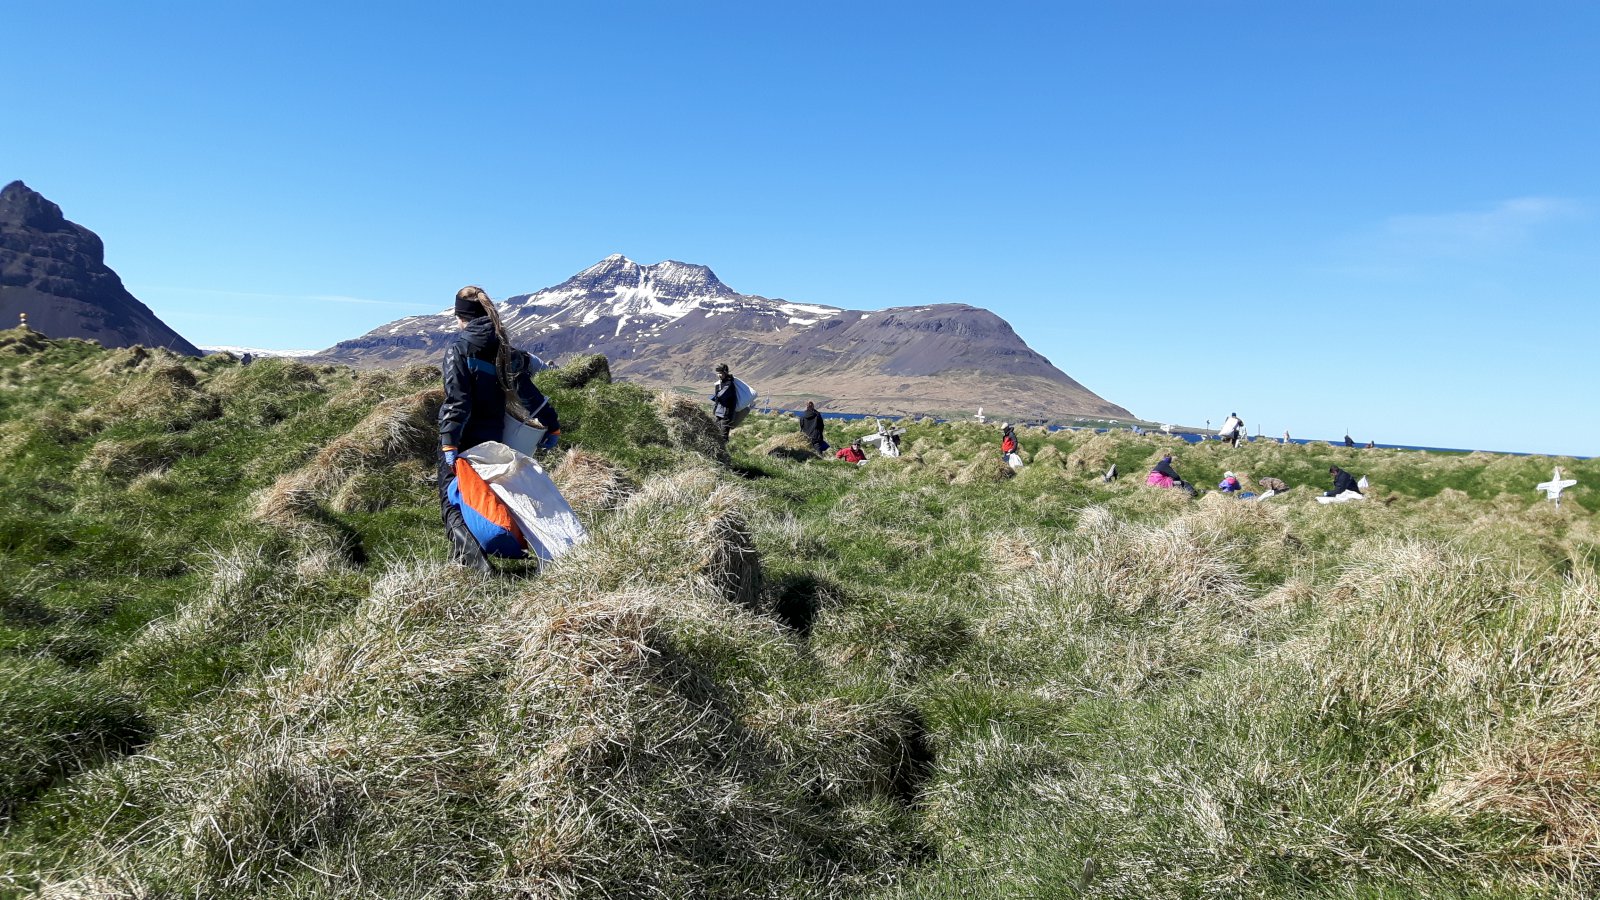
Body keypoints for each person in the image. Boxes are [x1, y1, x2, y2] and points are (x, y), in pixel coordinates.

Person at [439, 285, 560, 573]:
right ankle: (511, 546)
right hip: (494, 437)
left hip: (463, 436)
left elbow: (458, 400)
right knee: (485, 494)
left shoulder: (459, 348)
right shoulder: (504, 349)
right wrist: (552, 426)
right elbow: (530, 394)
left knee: (453, 500)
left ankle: (476, 566)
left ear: (461, 316)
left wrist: (448, 442)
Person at [710, 363, 740, 443]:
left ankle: (724, 453)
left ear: (725, 372)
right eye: (718, 373)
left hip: (726, 414)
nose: (719, 375)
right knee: (715, 432)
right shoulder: (721, 383)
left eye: (721, 373)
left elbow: (721, 395)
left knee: (723, 436)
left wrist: (715, 396)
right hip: (718, 412)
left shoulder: (729, 384)